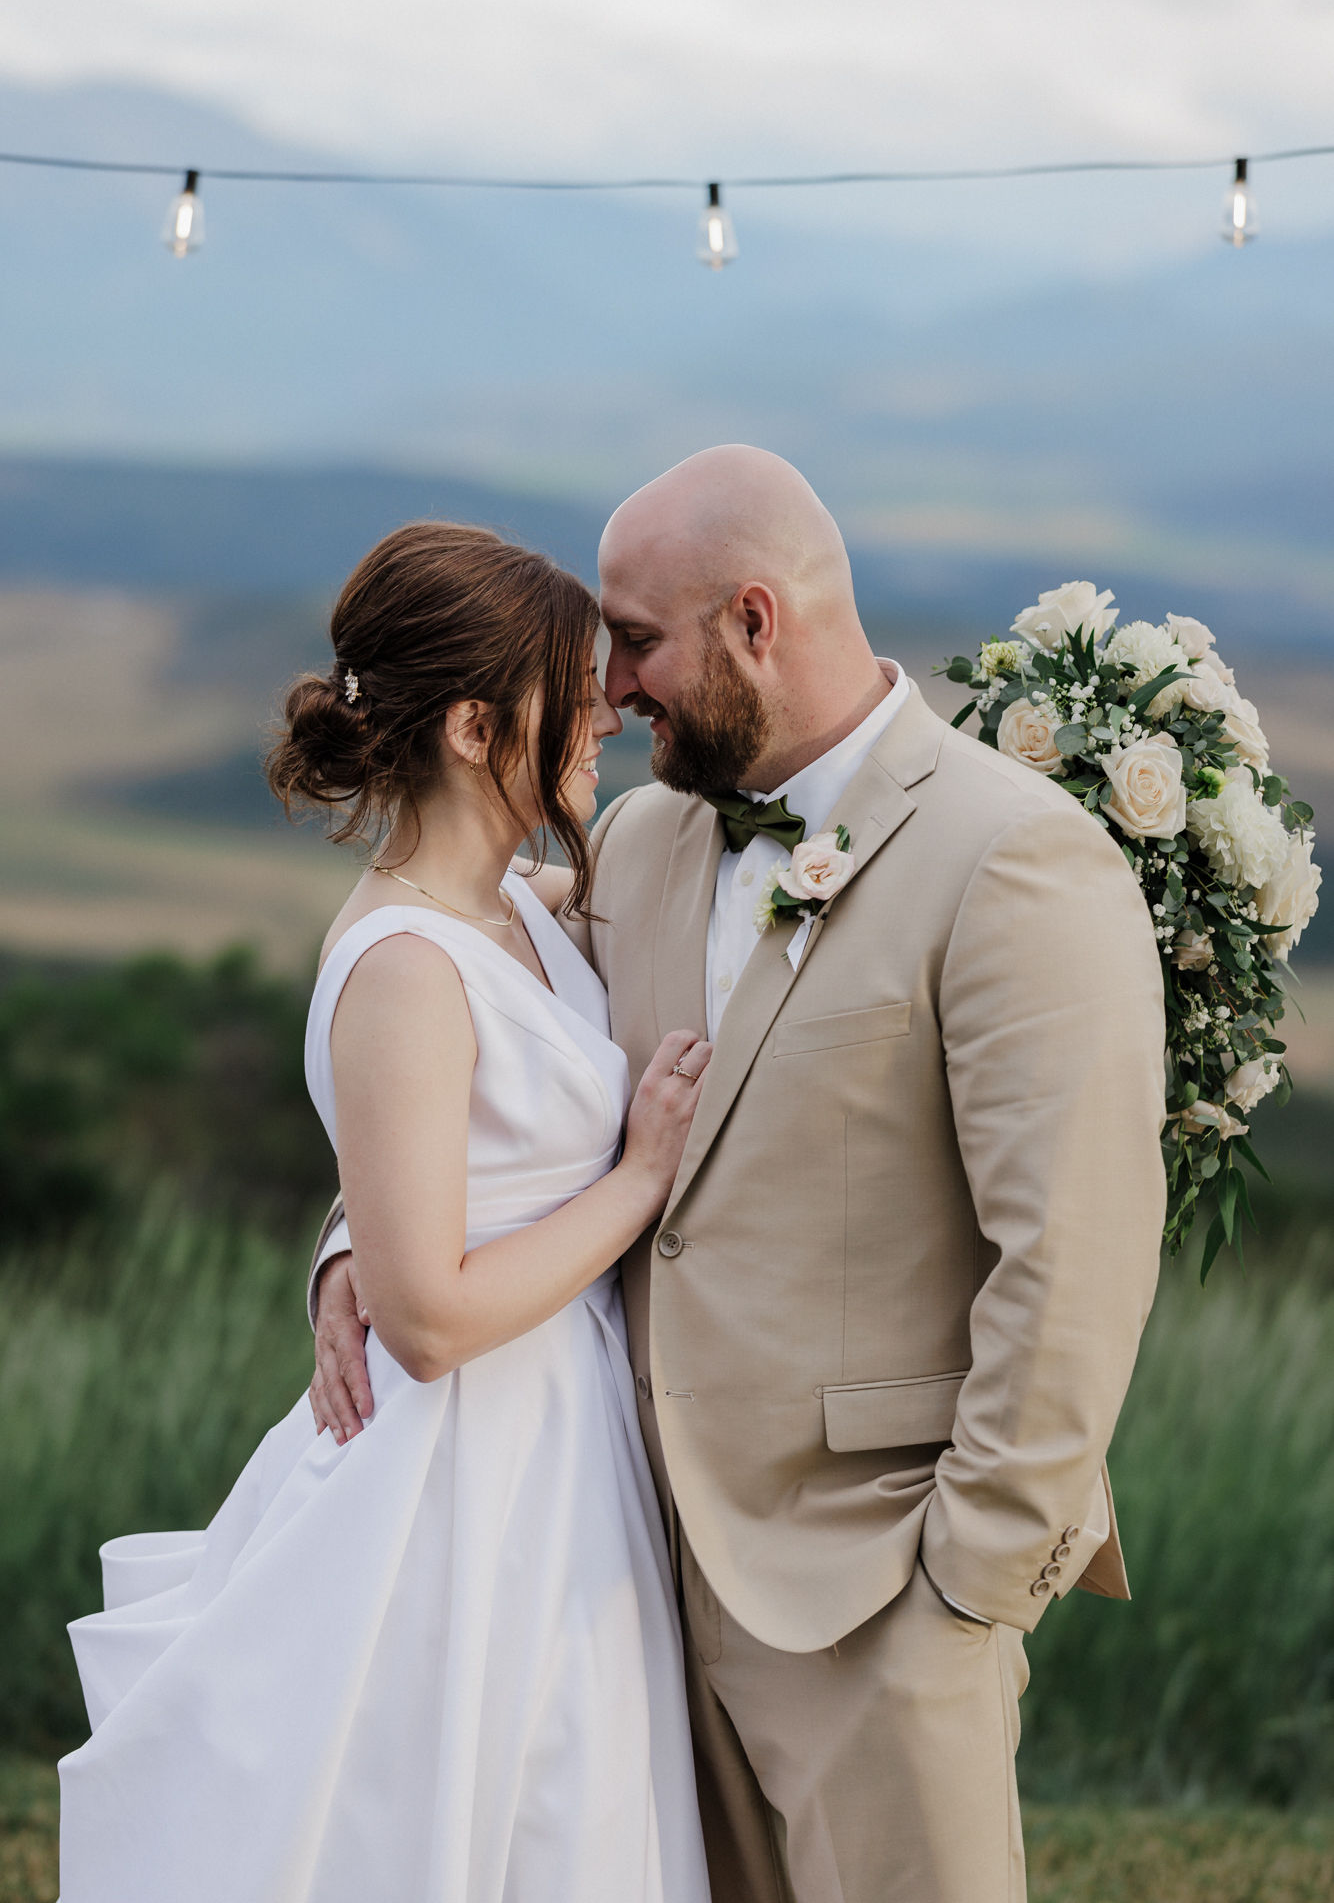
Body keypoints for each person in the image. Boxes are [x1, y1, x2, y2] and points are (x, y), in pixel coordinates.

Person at [312, 448, 1167, 1903]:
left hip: (876, 1598)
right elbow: (468, 1045)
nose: (612, 691)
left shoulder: (1013, 855)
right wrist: (353, 1247)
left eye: (636, 643)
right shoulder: (643, 837)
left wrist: (965, 1593)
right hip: (626, 1573)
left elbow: (1074, 1258)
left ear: (754, 623)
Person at [58, 522, 714, 1903]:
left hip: (559, 1435)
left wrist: (341, 1240)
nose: (605, 712)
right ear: (479, 727)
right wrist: (639, 1179)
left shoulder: (522, 909)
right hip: (466, 1471)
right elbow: (425, 1322)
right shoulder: (405, 968)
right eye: (573, 689)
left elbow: (435, 1176)